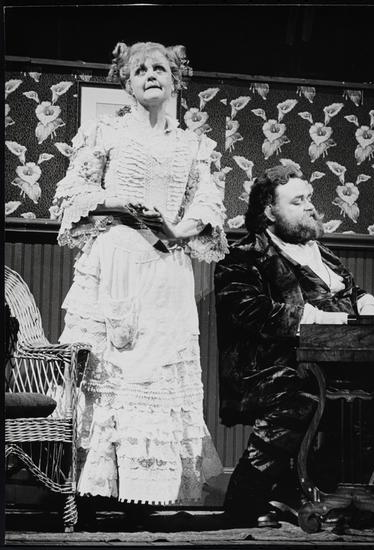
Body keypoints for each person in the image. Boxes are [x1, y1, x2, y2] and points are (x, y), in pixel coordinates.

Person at [51, 41, 227, 516]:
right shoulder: (104, 132)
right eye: (140, 70)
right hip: (117, 259)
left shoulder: (194, 145)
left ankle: (146, 492)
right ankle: (93, 490)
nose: (151, 75)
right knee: (109, 369)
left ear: (175, 80)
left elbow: (208, 202)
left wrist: (178, 229)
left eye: (160, 68)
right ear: (127, 83)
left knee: (157, 372)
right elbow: (74, 191)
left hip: (167, 266)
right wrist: (118, 203)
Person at [214, 164, 374, 527]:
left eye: (309, 198)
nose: (310, 206)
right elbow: (249, 311)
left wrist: (367, 303)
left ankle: (323, 495)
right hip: (270, 366)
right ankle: (245, 501)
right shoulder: (245, 254)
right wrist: (317, 319)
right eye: (297, 201)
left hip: (334, 360)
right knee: (303, 393)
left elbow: (350, 291)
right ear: (269, 211)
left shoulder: (322, 253)